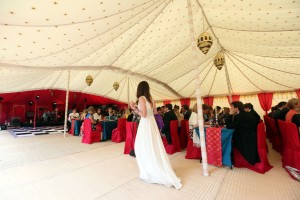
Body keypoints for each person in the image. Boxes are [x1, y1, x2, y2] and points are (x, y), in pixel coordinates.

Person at [129, 81, 182, 190]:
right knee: (153, 146)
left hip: (146, 124)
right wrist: (137, 109)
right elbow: (154, 112)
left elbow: (143, 115)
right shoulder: (151, 99)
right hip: (151, 123)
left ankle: (150, 171)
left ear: (139, 89)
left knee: (142, 147)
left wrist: (134, 108)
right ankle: (154, 166)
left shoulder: (141, 99)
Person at [226, 101, 260, 165]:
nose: (230, 109)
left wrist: (230, 115)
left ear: (236, 108)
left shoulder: (240, 116)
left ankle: (231, 158)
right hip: (251, 135)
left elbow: (229, 126)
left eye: (231, 107)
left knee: (229, 138)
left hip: (245, 138)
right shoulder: (246, 114)